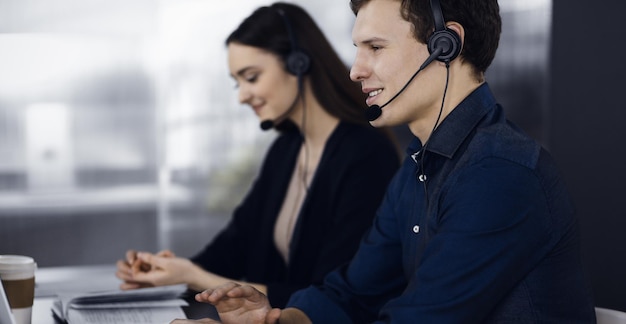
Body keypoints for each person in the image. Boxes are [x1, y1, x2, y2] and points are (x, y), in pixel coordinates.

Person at [174, 0, 597, 322]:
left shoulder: (499, 174)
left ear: (444, 45)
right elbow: (352, 292)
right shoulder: (418, 166)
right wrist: (278, 319)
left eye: (375, 47)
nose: (356, 70)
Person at [115, 2, 400, 309]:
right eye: (237, 82)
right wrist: (168, 271)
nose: (242, 95)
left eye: (251, 77)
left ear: (298, 64)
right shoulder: (287, 149)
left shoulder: (365, 154)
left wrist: (194, 275)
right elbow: (234, 245)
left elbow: (329, 297)